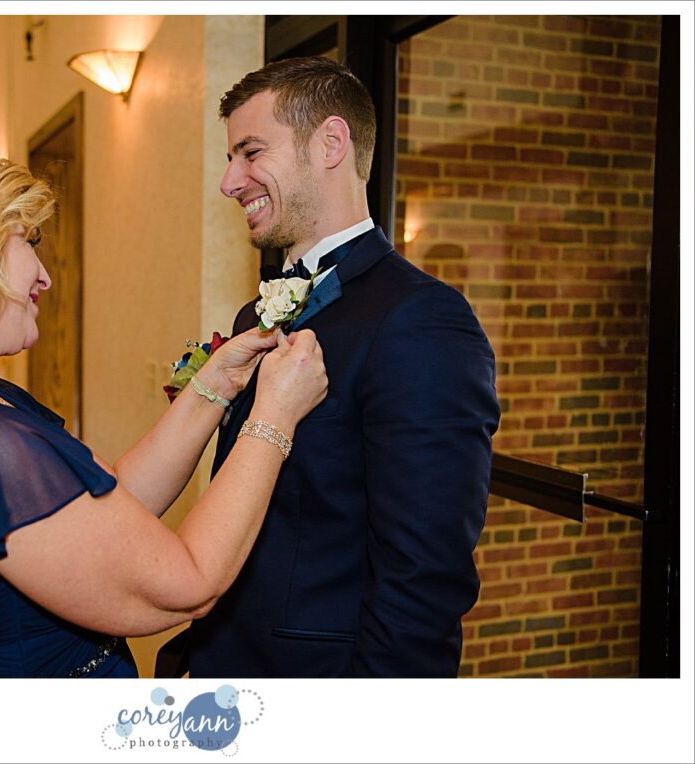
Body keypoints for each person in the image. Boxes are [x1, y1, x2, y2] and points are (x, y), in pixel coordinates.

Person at [0, 134, 328, 678]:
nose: (44, 273)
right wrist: (273, 417)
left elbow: (106, 511)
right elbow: (186, 587)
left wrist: (213, 386)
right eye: (26, 240)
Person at [185, 56, 501, 678]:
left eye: (250, 152)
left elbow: (423, 583)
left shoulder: (423, 320)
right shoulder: (258, 314)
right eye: (231, 158)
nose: (229, 181)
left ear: (331, 142)